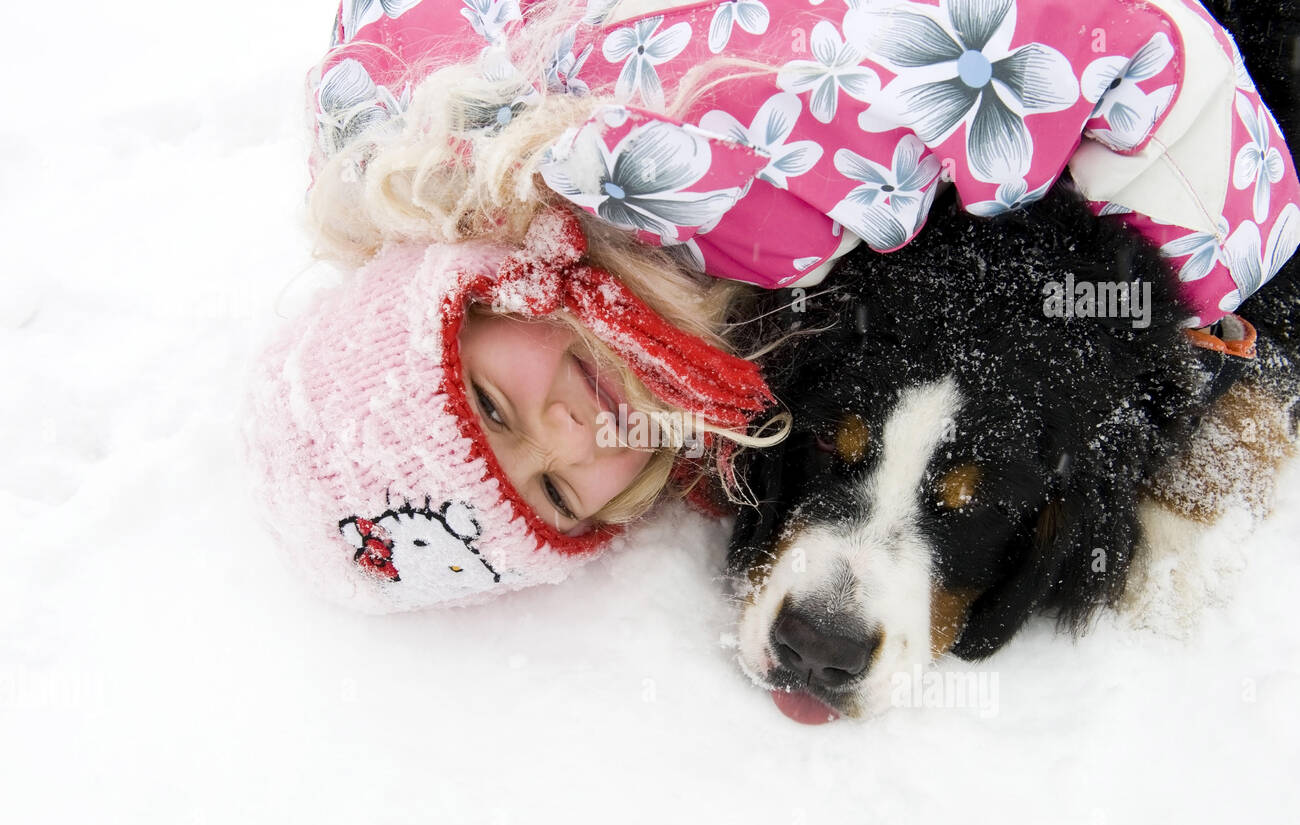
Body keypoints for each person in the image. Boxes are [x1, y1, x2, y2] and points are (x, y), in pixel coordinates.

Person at [246, 0, 1300, 612]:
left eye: (491, 401)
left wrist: (1155, 326)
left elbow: (1145, 52)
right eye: (559, 494)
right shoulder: (400, 119)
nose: (567, 436)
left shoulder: (744, 190)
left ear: (458, 293)